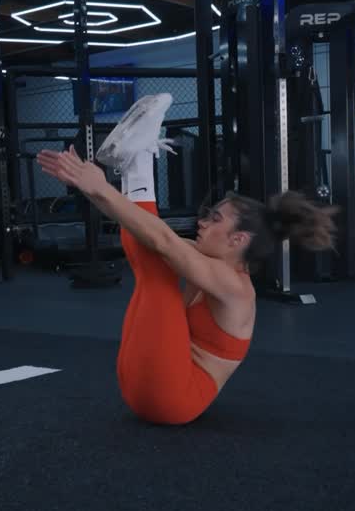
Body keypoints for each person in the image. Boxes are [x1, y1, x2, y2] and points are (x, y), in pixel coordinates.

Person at [37, 93, 338, 426]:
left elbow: (162, 241)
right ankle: (136, 165)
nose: (203, 222)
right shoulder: (207, 263)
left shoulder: (236, 287)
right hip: (145, 386)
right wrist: (89, 187)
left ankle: (138, 163)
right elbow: (145, 233)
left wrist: (100, 187)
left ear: (238, 239)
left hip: (173, 398)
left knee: (159, 264)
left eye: (215, 219)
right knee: (154, 252)